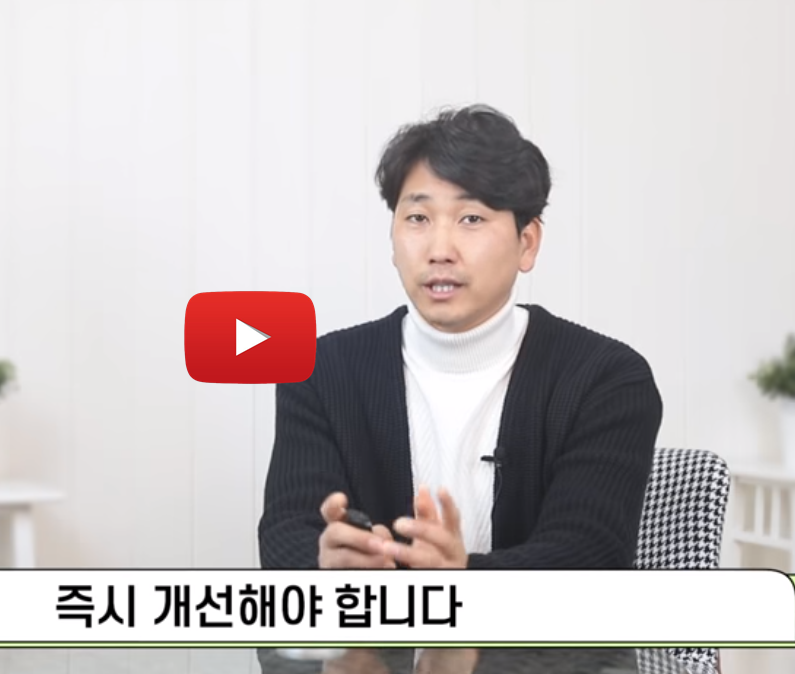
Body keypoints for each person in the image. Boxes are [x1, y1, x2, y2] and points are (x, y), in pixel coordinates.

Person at [257, 104, 663, 570]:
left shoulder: (605, 379)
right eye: (418, 218)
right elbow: (286, 536)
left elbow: (590, 555)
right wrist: (326, 567)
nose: (439, 250)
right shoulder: (321, 371)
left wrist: (462, 579)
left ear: (527, 242)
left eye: (471, 219)